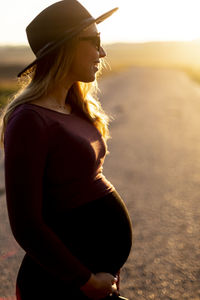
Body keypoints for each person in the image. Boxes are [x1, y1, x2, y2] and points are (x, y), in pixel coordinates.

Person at [0, 1, 133, 299]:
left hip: (91, 275)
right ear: (66, 47)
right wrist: (84, 280)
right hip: (60, 283)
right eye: (95, 41)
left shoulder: (74, 106)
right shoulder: (29, 120)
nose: (103, 53)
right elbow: (25, 224)